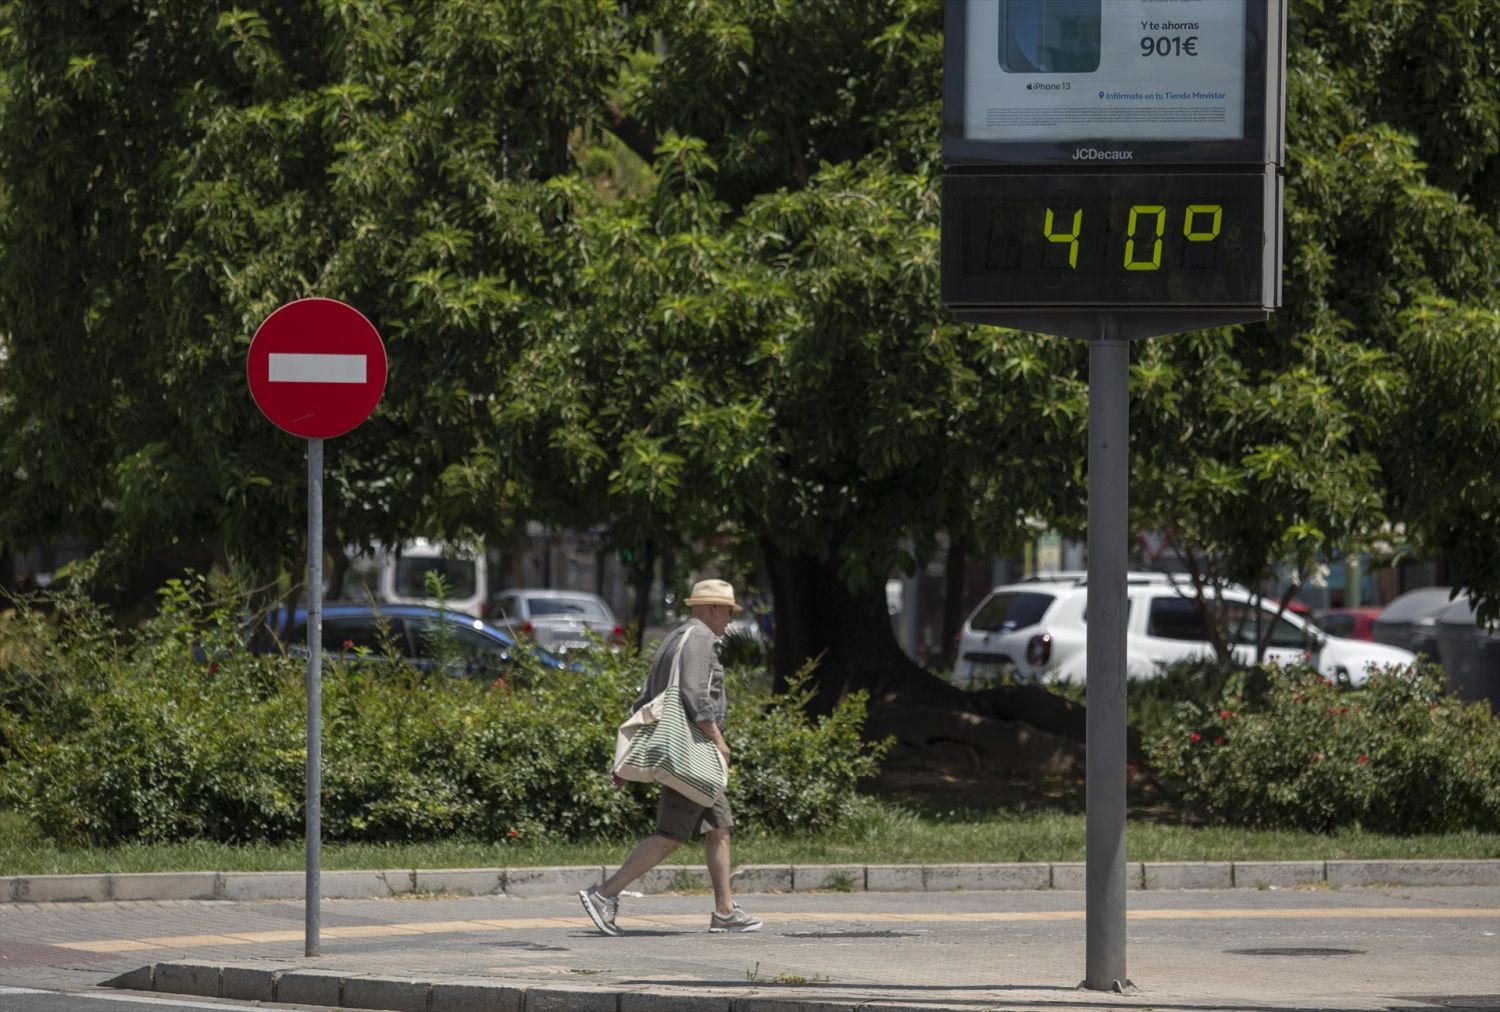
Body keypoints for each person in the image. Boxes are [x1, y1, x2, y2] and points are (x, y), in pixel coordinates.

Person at [579, 578, 763, 936]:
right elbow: (697, 697)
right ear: (711, 608)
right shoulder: (700, 639)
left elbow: (647, 698)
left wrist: (626, 752)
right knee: (671, 835)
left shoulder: (673, 638)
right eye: (728, 611)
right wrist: (718, 741)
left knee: (719, 826)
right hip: (691, 753)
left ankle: (725, 910)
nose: (729, 619)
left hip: (686, 749)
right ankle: (604, 894)